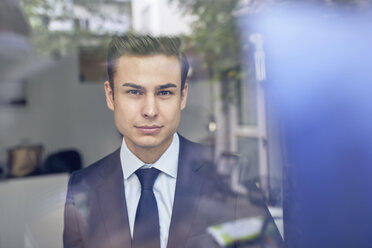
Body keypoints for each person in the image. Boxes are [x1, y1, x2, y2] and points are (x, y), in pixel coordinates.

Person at [63, 34, 282, 248]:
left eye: (164, 92)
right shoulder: (83, 187)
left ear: (183, 96)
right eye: (134, 92)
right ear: (110, 96)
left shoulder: (231, 176)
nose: (150, 110)